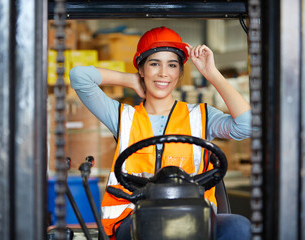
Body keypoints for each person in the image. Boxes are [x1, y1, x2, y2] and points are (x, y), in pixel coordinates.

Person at [69, 26, 251, 240]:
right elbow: (78, 76)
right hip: (134, 216)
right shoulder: (121, 116)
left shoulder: (201, 115)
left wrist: (212, 74)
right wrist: (130, 80)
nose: (163, 73)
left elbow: (246, 126)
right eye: (154, 64)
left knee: (239, 226)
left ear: (179, 73)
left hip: (192, 215)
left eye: (172, 65)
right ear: (141, 68)